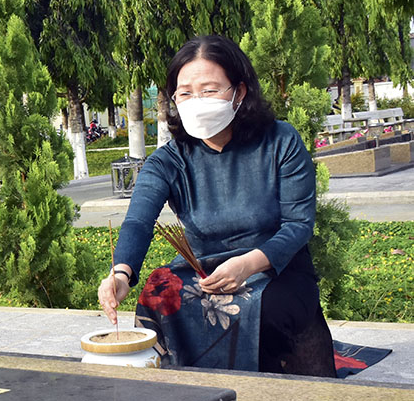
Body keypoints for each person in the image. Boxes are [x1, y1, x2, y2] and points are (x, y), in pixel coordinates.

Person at [97, 35, 335, 377]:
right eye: (185, 92)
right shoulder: (169, 160)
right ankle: (185, 391)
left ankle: (258, 399)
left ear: (239, 93)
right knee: (157, 294)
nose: (196, 101)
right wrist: (121, 274)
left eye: (209, 90)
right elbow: (138, 222)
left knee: (263, 312)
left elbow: (298, 225)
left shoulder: (280, 141)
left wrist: (249, 264)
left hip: (276, 270)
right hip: (204, 269)